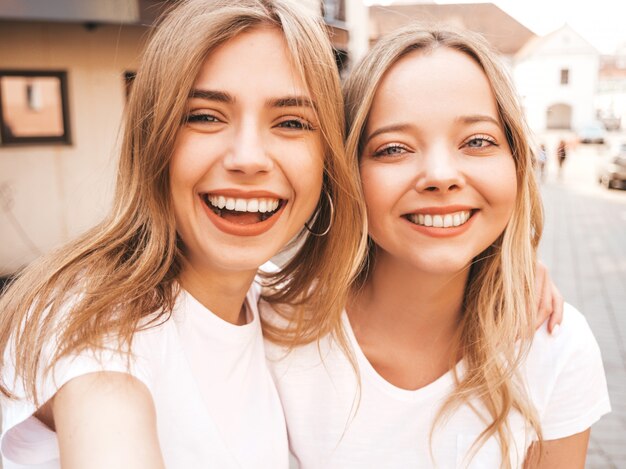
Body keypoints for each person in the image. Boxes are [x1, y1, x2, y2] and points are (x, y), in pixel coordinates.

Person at [0, 1, 367, 468]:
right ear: (153, 139)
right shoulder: (92, 320)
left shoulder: (272, 302)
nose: (248, 157)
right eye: (205, 116)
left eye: (291, 122)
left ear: (329, 161)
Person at [265, 24, 609, 468]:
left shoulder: (553, 347)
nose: (441, 175)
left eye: (478, 141)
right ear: (347, 172)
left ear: (517, 163)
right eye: (393, 149)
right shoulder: (265, 326)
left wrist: (516, 268)